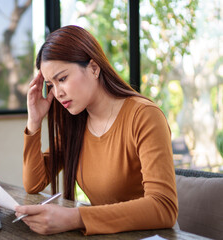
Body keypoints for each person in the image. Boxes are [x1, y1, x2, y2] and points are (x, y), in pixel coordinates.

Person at [14, 25, 178, 235]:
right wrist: (34, 122)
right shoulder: (75, 124)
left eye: (62, 79)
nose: (58, 92)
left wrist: (76, 217)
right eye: (51, 85)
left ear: (93, 68)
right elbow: (34, 183)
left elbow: (164, 208)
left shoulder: (144, 116)